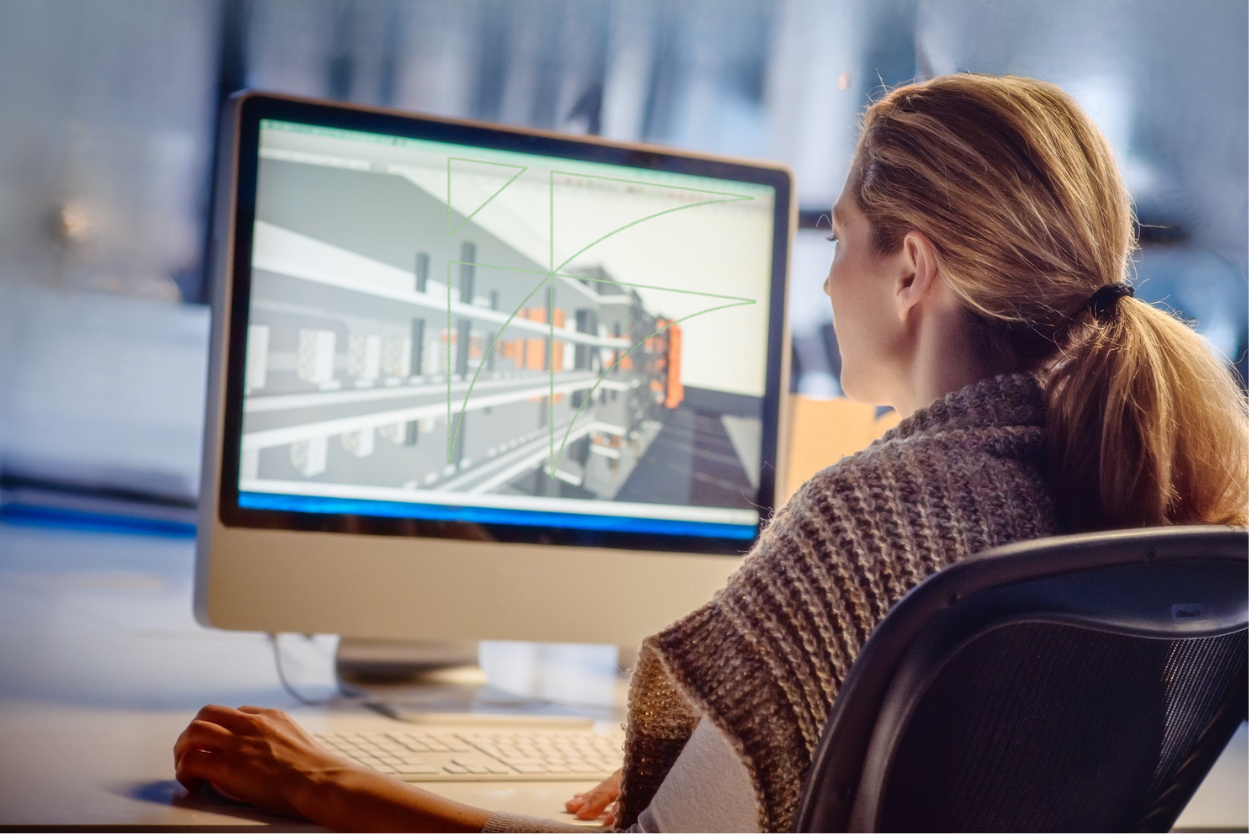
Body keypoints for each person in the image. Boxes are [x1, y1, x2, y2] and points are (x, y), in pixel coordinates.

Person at [173, 73, 1249, 833]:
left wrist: (324, 786)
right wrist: (711, 779)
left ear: (911, 268)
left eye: (839, 241)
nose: (825, 284)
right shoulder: (1123, 497)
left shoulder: (867, 523)